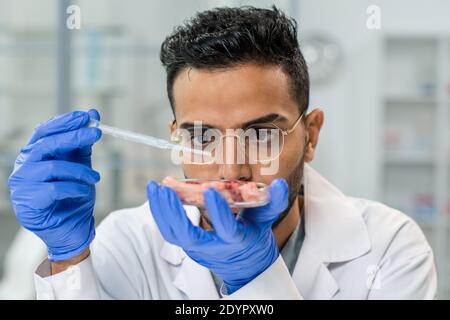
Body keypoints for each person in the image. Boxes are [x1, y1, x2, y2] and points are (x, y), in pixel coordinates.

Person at [8, 6, 436, 299]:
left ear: (311, 134)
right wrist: (68, 258)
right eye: (203, 136)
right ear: (176, 139)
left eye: (261, 134)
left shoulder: (388, 247)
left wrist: (256, 277)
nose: (232, 166)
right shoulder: (129, 241)